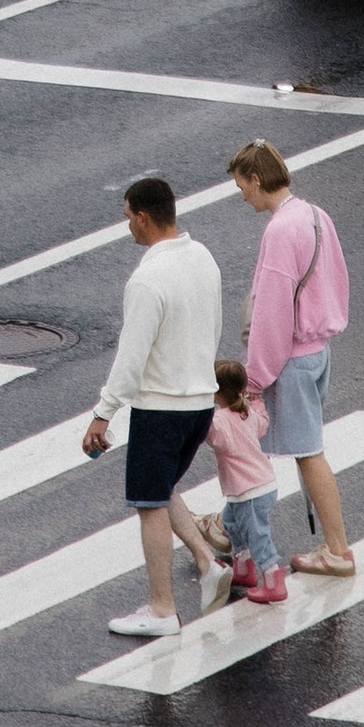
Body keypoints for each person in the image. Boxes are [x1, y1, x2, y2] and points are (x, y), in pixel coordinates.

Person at [82, 173, 225, 640]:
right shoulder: (203, 257)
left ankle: (163, 609)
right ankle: (208, 564)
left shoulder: (147, 279)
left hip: (161, 407)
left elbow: (132, 355)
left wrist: (104, 413)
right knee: (160, 488)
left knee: (148, 503)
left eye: (128, 218)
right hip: (200, 402)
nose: (128, 227)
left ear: (143, 217)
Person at [228, 137, 354, 576]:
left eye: (242, 185)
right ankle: (235, 531)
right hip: (319, 350)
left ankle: (337, 550)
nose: (242, 195)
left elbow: (273, 309)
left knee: (305, 452)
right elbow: (335, 278)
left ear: (257, 179)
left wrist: (254, 377)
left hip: (293, 360)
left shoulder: (280, 230)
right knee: (303, 449)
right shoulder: (315, 214)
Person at [208, 358, 288, 606]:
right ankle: (244, 568)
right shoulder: (248, 411)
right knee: (231, 522)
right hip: (256, 486)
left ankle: (274, 580)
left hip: (248, 490)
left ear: (216, 391)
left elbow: (215, 439)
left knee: (257, 535)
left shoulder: (220, 421)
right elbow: (262, 426)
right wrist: (258, 403)